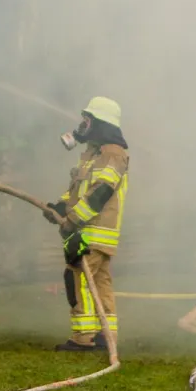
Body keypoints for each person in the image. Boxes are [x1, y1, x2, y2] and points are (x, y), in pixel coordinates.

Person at [46, 96, 130, 352]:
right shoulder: (94, 153)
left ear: (101, 123)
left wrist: (72, 220)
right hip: (90, 230)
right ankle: (106, 336)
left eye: (88, 120)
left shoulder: (113, 154)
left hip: (93, 230)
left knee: (77, 278)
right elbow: (79, 190)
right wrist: (60, 207)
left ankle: (83, 338)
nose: (83, 125)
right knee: (100, 282)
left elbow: (101, 192)